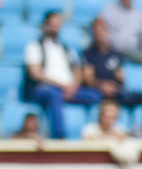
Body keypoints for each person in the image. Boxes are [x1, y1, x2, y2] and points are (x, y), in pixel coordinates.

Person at [24, 11, 104, 139]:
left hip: (68, 89)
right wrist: (62, 86)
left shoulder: (67, 49)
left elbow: (78, 71)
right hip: (45, 89)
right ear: (45, 25)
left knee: (95, 96)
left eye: (59, 24)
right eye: (53, 24)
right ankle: (60, 136)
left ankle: (95, 134)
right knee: (54, 95)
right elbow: (36, 73)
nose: (57, 27)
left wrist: (73, 86)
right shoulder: (35, 46)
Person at [83, 17, 142, 108]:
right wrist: (102, 86)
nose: (100, 33)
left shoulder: (116, 54)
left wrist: (119, 80)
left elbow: (120, 79)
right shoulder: (89, 54)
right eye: (97, 30)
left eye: (103, 29)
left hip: (115, 92)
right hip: (98, 91)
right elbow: (88, 79)